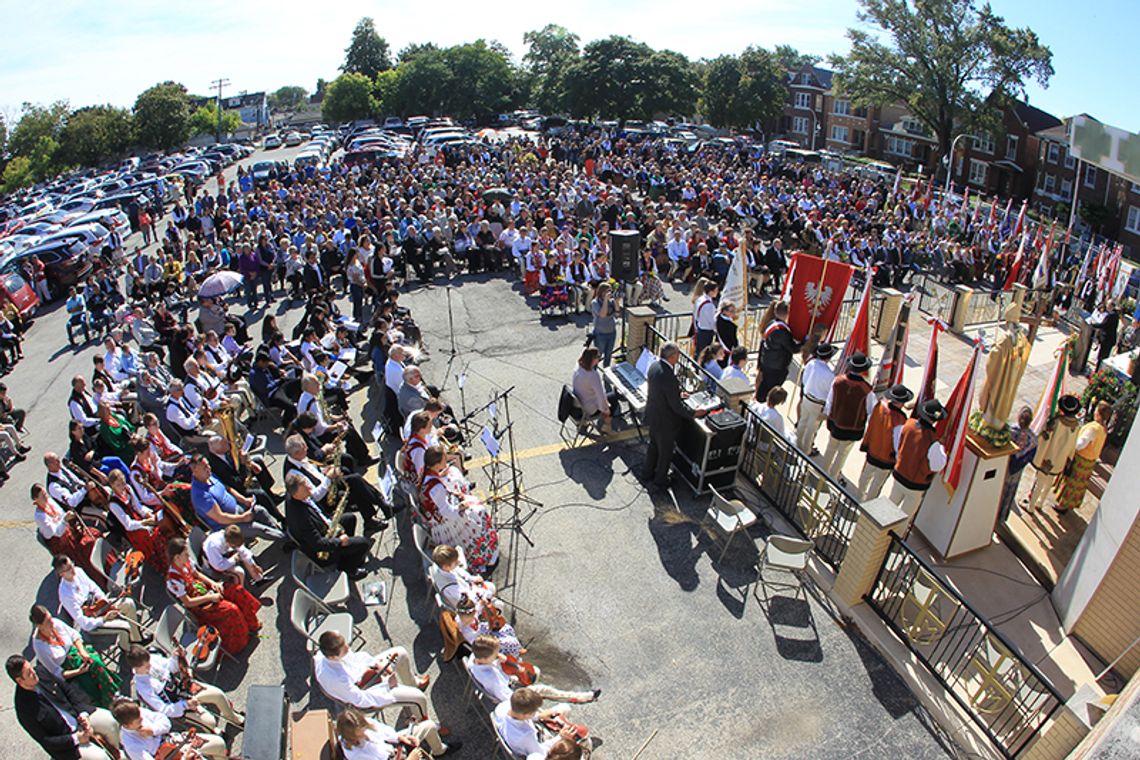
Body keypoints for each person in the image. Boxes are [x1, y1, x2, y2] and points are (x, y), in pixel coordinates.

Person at [8, 654, 121, 760]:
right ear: (19, 680)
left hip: (78, 715)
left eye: (31, 668)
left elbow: (68, 691)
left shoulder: (40, 672)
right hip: (67, 740)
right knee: (100, 757)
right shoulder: (24, 709)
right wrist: (76, 738)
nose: (34, 673)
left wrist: (83, 714)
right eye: (29, 673)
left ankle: (115, 753)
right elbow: (45, 740)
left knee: (110, 721)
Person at [165, 536, 261, 656]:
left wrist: (213, 583)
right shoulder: (173, 580)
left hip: (206, 591)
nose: (188, 556)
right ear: (177, 557)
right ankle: (240, 642)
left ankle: (251, 624)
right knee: (231, 609)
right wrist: (210, 597)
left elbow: (197, 574)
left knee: (237, 591)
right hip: (200, 605)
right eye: (185, 554)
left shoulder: (186, 562)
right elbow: (188, 602)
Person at [125, 645, 244, 733]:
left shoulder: (152, 659)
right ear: (137, 668)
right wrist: (185, 705)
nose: (150, 666)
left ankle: (234, 718)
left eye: (149, 663)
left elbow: (172, 668)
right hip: (177, 705)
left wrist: (175, 657)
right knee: (210, 722)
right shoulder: (143, 687)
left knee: (218, 694)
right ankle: (215, 732)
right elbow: (164, 709)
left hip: (184, 688)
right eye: (146, 666)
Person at [313, 631, 431, 716]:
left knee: (401, 652)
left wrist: (376, 664)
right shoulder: (336, 679)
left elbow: (356, 659)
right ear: (333, 657)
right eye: (344, 648)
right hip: (369, 692)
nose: (348, 647)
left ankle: (412, 683)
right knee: (419, 698)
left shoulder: (329, 654)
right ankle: (423, 724)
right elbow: (360, 700)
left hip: (365, 677)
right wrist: (387, 685)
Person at [420, 447, 499, 574]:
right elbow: (448, 513)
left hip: (436, 517)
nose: (447, 460)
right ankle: (483, 555)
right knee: (479, 511)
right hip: (444, 524)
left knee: (472, 503)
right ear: (437, 464)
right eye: (444, 459)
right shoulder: (436, 488)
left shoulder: (426, 475)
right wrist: (462, 506)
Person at [641, 342, 706, 489]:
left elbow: (663, 392)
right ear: (672, 356)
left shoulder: (654, 367)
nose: (679, 356)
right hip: (666, 422)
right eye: (678, 353)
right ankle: (661, 479)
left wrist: (677, 394)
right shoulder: (668, 375)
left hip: (653, 415)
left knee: (654, 445)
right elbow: (675, 406)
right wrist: (693, 413)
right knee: (665, 452)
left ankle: (647, 472)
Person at [30, 605, 120, 709]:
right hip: (70, 670)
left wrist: (82, 652)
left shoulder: (55, 623)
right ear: (39, 626)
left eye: (50, 619)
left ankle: (112, 696)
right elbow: (56, 673)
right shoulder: (40, 646)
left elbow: (74, 636)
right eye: (48, 622)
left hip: (78, 654)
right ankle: (110, 697)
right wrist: (79, 671)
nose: (52, 623)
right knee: (89, 678)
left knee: (94, 662)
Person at [284, 473, 372, 580]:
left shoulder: (293, 495)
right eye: (305, 488)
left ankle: (347, 555)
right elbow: (318, 544)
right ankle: (348, 569)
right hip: (322, 551)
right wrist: (340, 541)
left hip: (323, 527)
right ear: (296, 494)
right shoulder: (301, 518)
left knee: (350, 518)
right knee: (364, 544)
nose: (309, 487)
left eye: (306, 484)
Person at [469, 634, 598, 705]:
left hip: (505, 681)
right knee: (545, 689)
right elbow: (509, 699)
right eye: (495, 653)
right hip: (510, 695)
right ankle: (582, 697)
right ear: (486, 658)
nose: (498, 654)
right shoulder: (493, 679)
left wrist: (498, 660)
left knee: (533, 671)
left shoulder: (473, 658)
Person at [54, 555, 146, 652]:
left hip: (101, 607)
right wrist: (104, 618)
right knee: (125, 627)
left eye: (72, 564)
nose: (73, 569)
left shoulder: (78, 571)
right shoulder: (65, 594)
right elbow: (84, 623)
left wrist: (106, 603)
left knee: (129, 603)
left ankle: (137, 640)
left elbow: (94, 588)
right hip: (93, 623)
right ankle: (128, 649)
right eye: (68, 569)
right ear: (61, 574)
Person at [189, 453, 284, 540]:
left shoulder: (210, 476)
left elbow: (228, 489)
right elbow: (220, 518)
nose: (208, 468)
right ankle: (286, 539)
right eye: (204, 467)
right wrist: (243, 518)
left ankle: (279, 532)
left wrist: (244, 500)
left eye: (208, 465)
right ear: (195, 471)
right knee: (258, 529)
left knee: (260, 511)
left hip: (237, 509)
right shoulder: (200, 495)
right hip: (228, 526)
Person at [34, 484, 108, 588]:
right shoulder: (40, 517)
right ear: (36, 500)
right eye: (42, 496)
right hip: (60, 542)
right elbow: (56, 532)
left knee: (94, 533)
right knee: (86, 546)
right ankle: (100, 579)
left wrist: (70, 519)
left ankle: (108, 564)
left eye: (45, 494)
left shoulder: (49, 502)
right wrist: (65, 521)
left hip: (68, 530)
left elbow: (61, 514)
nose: (46, 497)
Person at [888, 399, 949, 521]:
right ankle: (894, 538)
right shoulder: (933, 442)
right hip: (915, 485)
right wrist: (942, 449)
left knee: (888, 508)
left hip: (899, 475)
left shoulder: (908, 425)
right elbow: (937, 465)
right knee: (904, 518)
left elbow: (897, 444)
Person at [111, 698, 227, 760]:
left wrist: (153, 730)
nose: (142, 719)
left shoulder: (138, 713)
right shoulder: (130, 744)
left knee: (219, 744)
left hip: (174, 740)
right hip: (168, 757)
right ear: (127, 725)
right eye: (138, 721)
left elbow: (166, 722)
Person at [821, 352, 876, 481]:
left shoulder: (838, 380)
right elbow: (870, 411)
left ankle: (822, 473)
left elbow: (829, 401)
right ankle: (833, 476)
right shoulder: (866, 390)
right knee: (842, 454)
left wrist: (828, 415)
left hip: (835, 423)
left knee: (830, 448)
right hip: (852, 428)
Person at [492, 687, 587, 760]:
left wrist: (538, 716)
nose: (536, 711)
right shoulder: (526, 737)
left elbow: (521, 716)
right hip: (536, 741)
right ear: (526, 715)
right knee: (583, 739)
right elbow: (544, 753)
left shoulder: (502, 707)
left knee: (564, 707)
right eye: (534, 711)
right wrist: (560, 737)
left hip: (518, 734)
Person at [1024, 394, 1081, 513]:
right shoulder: (1076, 426)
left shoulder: (1056, 422)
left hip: (1048, 457)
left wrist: (1037, 451)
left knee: (1040, 481)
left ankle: (1031, 506)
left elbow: (1045, 438)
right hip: (1060, 460)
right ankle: (1040, 502)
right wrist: (1068, 459)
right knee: (1049, 482)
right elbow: (1073, 445)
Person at [335, 705, 459, 759]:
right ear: (351, 736)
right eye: (360, 732)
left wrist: (400, 738)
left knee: (429, 726)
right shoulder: (356, 755)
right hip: (395, 756)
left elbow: (386, 733)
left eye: (364, 728)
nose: (364, 732)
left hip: (396, 749)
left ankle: (439, 751)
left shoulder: (364, 723)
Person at [1054, 401, 1112, 515]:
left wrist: (1071, 447)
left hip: (1081, 459)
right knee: (1078, 485)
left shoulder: (1093, 429)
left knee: (1071, 482)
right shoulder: (1103, 429)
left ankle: (1062, 505)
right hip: (1089, 462)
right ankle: (1067, 504)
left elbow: (1081, 443)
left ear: (1099, 413)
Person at [857, 385, 913, 501]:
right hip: (886, 458)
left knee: (865, 477)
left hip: (872, 451)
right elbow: (898, 443)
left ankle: (858, 497)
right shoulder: (900, 419)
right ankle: (868, 504)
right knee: (876, 485)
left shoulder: (879, 406)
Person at [796, 342, 836, 454]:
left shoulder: (811, 364)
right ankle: (806, 451)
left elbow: (804, 379)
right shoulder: (829, 374)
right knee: (811, 429)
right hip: (818, 403)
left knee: (802, 422)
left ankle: (798, 444)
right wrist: (827, 409)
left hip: (806, 398)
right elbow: (830, 393)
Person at [999, 406, 1038, 522]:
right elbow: (1031, 455)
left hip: (1004, 466)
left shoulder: (1009, 431)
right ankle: (1002, 517)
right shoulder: (1033, 439)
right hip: (1017, 470)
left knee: (998, 491)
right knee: (1010, 493)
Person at [757, 301, 801, 401]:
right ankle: (764, 405)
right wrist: (806, 343)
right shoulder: (781, 331)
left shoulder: (772, 323)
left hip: (768, 361)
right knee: (770, 389)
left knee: (764, 385)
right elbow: (793, 348)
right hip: (776, 366)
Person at [571, 347, 620, 435]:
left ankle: (583, 423)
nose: (599, 358)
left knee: (609, 398)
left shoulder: (578, 367)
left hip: (578, 404)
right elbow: (601, 396)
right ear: (593, 359)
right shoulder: (593, 376)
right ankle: (607, 426)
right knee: (613, 399)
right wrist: (606, 410)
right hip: (589, 408)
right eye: (598, 357)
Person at [589, 282, 617, 367]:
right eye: (608, 291)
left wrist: (617, 301)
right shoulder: (595, 302)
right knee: (597, 355)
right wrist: (605, 300)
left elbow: (618, 314)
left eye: (611, 291)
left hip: (611, 332)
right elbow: (602, 315)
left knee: (608, 355)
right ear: (602, 292)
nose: (610, 293)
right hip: (600, 333)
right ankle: (594, 373)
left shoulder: (611, 301)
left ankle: (606, 374)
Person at [691, 278, 719, 355]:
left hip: (699, 327)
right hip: (706, 331)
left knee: (698, 350)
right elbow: (712, 321)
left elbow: (696, 314)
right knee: (704, 352)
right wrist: (716, 330)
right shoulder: (710, 305)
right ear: (710, 292)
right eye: (716, 291)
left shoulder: (700, 299)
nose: (717, 293)